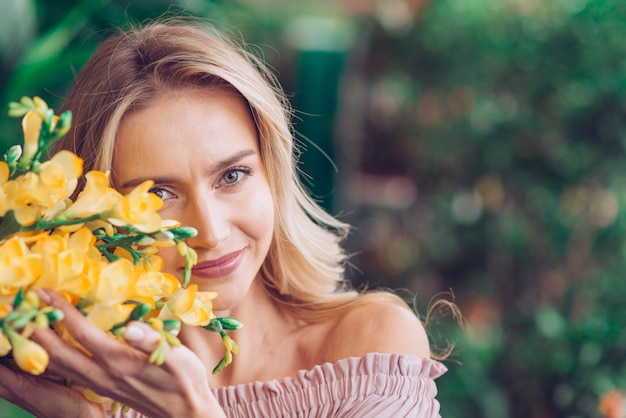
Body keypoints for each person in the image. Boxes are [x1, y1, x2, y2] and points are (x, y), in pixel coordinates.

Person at [0, 18, 447, 417]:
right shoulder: (89, 392)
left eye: (232, 175)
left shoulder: (370, 346)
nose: (210, 233)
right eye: (158, 193)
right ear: (94, 215)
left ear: (272, 172)